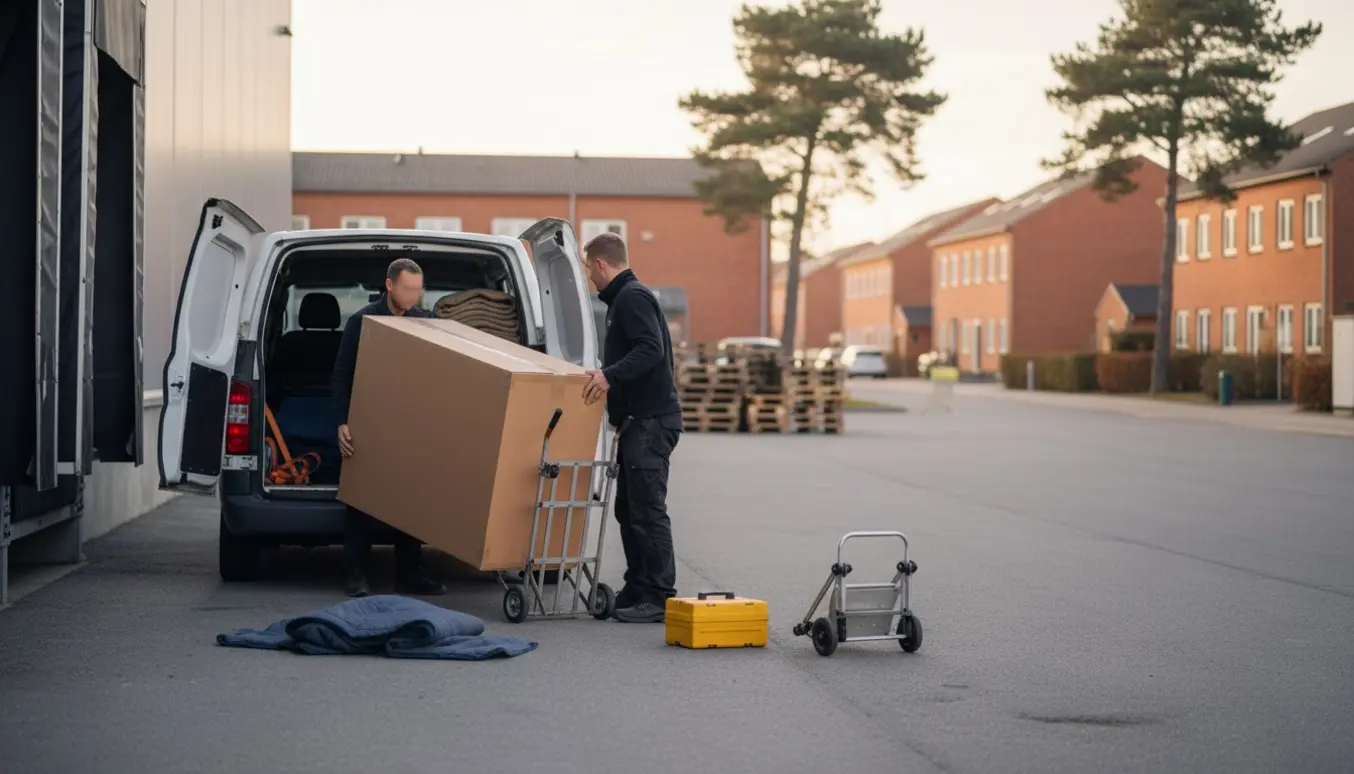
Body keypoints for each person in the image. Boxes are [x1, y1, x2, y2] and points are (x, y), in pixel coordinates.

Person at [580, 232, 682, 624]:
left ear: (602, 264)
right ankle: (638, 586)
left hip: (653, 421)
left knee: (647, 510)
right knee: (629, 510)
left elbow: (650, 349)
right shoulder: (623, 300)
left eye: (590, 270)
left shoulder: (632, 298)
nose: (590, 278)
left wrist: (608, 376)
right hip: (638, 422)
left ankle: (658, 595)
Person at [331, 257, 447, 598]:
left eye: (418, 289)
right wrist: (342, 422)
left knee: (410, 501)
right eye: (408, 289)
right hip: (368, 422)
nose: (413, 295)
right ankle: (355, 574)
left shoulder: (426, 323)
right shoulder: (361, 321)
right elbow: (341, 376)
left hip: (411, 426)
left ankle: (410, 574)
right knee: (362, 500)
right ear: (389, 285)